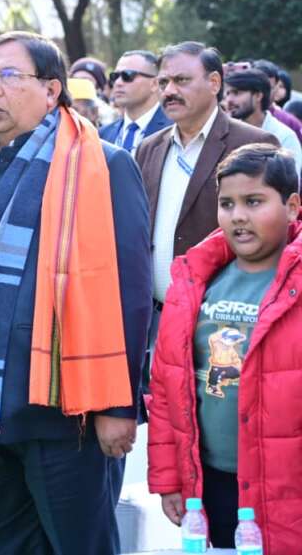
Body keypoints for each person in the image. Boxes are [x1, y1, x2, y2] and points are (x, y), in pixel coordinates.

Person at [0, 31, 152, 555]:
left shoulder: (102, 165)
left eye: (9, 76)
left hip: (66, 410)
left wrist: (119, 405)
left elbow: (130, 296)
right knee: (2, 546)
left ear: (52, 89)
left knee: (81, 546)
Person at [148, 144, 302, 553]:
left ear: (292, 207)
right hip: (212, 482)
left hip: (288, 488)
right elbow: (166, 388)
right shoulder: (194, 282)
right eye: (227, 204)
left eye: (254, 202)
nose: (238, 216)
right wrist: (169, 479)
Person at [136, 42, 279, 363]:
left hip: (224, 323)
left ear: (214, 83)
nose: (169, 91)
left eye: (181, 80)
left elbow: (274, 236)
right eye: (163, 82)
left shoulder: (253, 143)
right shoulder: (149, 148)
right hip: (156, 319)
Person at [224, 69, 302, 176]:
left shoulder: (284, 136)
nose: (229, 100)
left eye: (236, 93)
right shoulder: (224, 132)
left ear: (258, 96)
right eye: (228, 93)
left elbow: (291, 181)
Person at [100, 49, 171, 154]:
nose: (118, 82)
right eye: (115, 76)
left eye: (127, 76)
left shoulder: (173, 130)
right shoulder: (103, 134)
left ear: (155, 84)